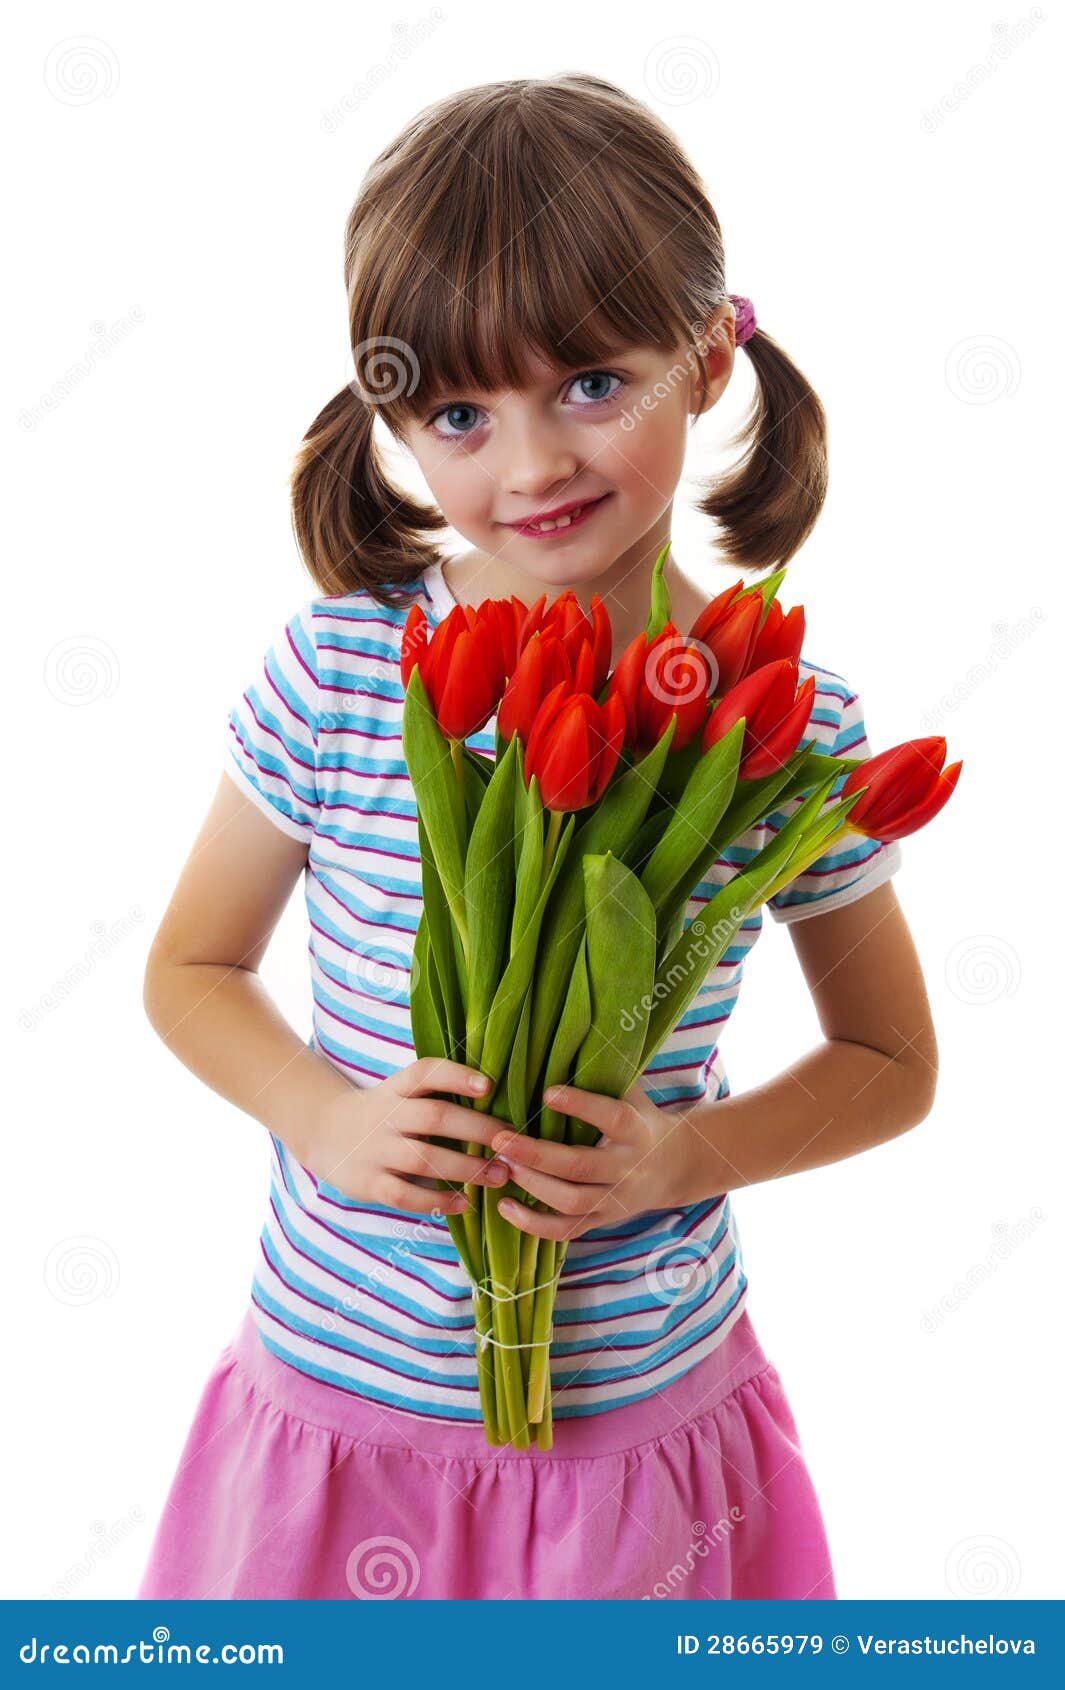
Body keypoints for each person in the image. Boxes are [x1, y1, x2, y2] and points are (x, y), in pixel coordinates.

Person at [136, 74, 938, 1601]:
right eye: (457, 412)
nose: (531, 467)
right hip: (338, 1415)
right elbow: (187, 967)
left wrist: (687, 1154)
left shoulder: (785, 720)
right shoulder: (344, 671)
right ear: (392, 419)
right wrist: (319, 1114)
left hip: (636, 1454)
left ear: (706, 362)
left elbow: (892, 1064)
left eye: (590, 383)